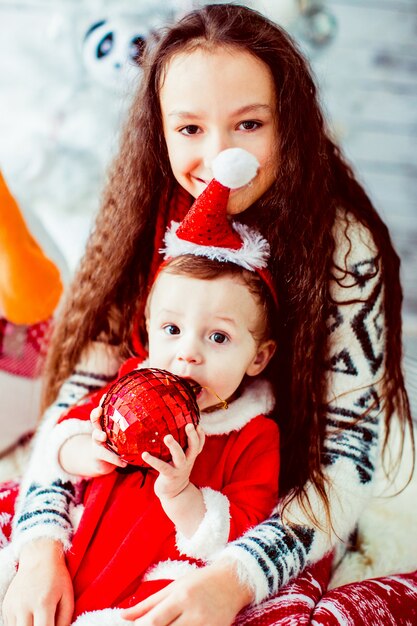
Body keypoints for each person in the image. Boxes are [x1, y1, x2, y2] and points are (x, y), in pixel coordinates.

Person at [1, 3, 415, 625]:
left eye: (249, 124)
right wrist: (39, 551)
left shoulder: (343, 250)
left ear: (290, 125)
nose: (222, 156)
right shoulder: (142, 221)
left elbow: (344, 457)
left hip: (262, 516)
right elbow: (83, 395)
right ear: (159, 131)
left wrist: (231, 583)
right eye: (190, 129)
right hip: (124, 503)